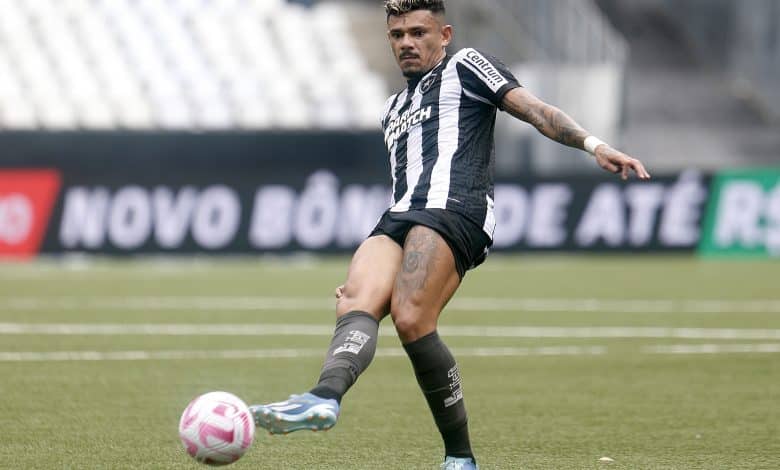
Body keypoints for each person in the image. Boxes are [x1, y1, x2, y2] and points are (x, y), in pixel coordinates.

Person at [250, 1, 651, 468]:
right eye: (397, 35)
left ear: (444, 35)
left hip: (456, 208)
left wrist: (592, 144)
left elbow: (535, 110)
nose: (407, 43)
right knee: (357, 299)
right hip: (401, 213)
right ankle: (323, 397)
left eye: (418, 32)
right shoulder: (392, 109)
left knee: (410, 317)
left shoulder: (465, 66)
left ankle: (460, 456)